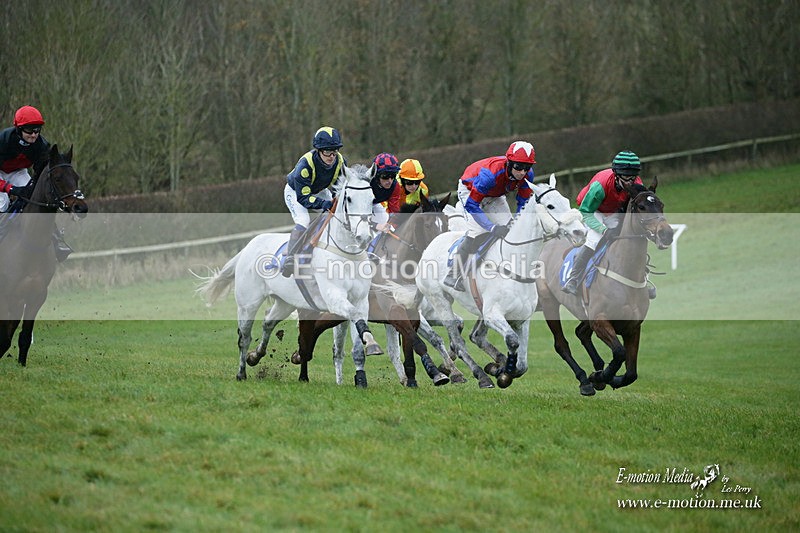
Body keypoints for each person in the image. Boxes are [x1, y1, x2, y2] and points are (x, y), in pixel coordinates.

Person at [443, 140, 536, 291]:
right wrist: (491, 227)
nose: (522, 172)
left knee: (511, 230)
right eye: (519, 167)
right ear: (509, 163)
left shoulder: (527, 176)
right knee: (478, 232)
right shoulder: (490, 175)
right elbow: (472, 204)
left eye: (527, 167)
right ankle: (453, 273)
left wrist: (518, 223)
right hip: (470, 192)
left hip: (495, 196)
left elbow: (523, 203)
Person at [561, 150, 644, 295]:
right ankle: (574, 278)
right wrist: (604, 230)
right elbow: (586, 212)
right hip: (593, 210)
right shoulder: (599, 186)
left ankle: (642, 278)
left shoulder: (636, 183)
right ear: (617, 175)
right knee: (594, 239)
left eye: (633, 177)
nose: (630, 182)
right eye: (626, 177)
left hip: (614, 210)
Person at [0, 105, 72, 261]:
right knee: (2, 203)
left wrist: (32, 186)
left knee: (34, 198)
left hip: (18, 172)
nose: (34, 135)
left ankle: (56, 238)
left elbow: (43, 173)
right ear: (19, 129)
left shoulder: (41, 145)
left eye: (37, 130)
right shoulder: (3, 141)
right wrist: (11, 189)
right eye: (29, 130)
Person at [282, 126, 346, 277]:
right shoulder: (305, 166)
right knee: (303, 220)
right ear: (318, 150)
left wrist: (335, 202)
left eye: (335, 150)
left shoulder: (340, 161)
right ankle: (290, 258)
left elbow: (340, 188)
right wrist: (325, 204)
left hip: (319, 190)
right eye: (327, 151)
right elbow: (304, 198)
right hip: (296, 192)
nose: (332, 156)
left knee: (337, 214)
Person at [369, 152, 402, 232]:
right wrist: (375, 225)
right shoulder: (367, 184)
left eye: (393, 176)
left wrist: (391, 226)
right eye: (385, 176)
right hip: (358, 206)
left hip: (375, 204)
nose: (389, 181)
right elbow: (357, 214)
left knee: (384, 220)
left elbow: (394, 211)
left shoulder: (395, 186)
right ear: (376, 175)